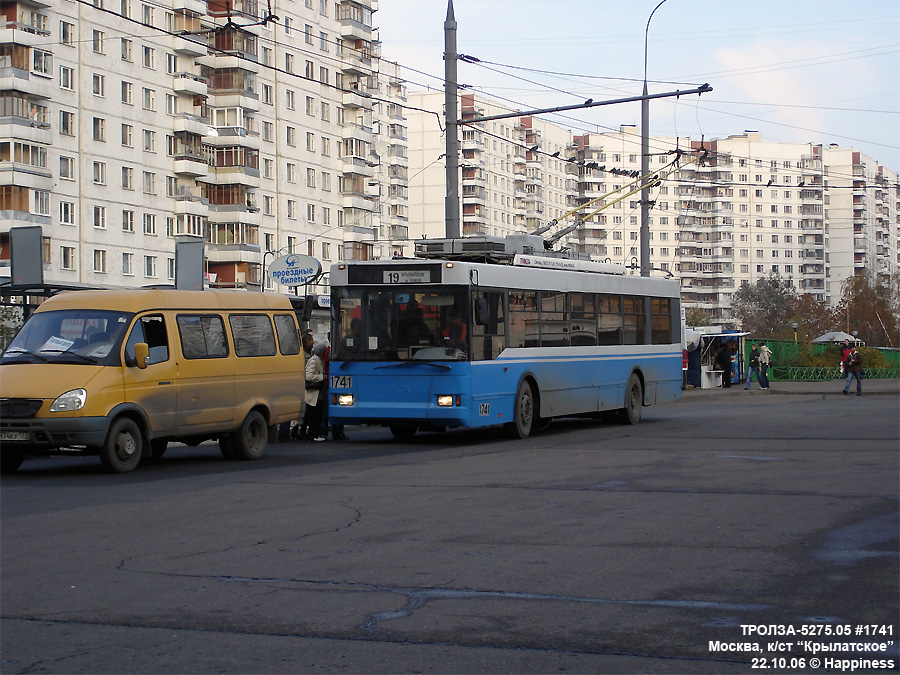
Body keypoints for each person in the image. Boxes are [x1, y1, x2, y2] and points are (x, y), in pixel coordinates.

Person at [300, 341, 326, 440]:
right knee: (314, 416)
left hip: (317, 394)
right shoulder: (314, 361)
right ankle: (312, 435)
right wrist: (322, 377)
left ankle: (311, 434)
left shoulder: (317, 360)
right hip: (314, 394)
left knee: (313, 415)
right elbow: (308, 376)